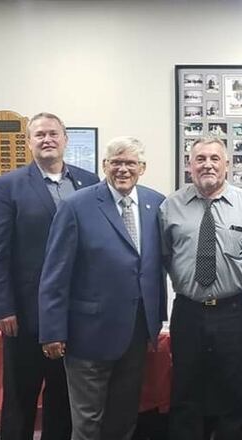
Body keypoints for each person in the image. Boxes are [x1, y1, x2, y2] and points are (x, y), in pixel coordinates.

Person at [0, 112, 98, 440]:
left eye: (54, 134)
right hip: (25, 315)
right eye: (39, 135)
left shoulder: (89, 183)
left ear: (65, 140)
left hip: (77, 313)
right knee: (21, 397)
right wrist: (2, 308)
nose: (47, 140)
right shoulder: (7, 186)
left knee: (65, 397)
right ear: (28, 142)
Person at [38, 136, 166, 440]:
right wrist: (52, 330)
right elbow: (55, 273)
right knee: (88, 422)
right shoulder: (76, 206)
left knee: (123, 419)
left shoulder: (155, 204)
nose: (123, 169)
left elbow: (153, 268)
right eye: (116, 163)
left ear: (142, 168)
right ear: (104, 166)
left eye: (130, 163)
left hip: (136, 334)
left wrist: (156, 321)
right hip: (88, 336)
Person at [160, 136, 242, 440]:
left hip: (233, 311)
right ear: (189, 166)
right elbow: (163, 257)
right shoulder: (170, 207)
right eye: (200, 159)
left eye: (215, 158)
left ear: (227, 165)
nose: (208, 165)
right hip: (188, 311)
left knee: (234, 390)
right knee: (186, 390)